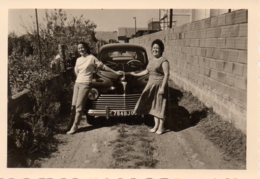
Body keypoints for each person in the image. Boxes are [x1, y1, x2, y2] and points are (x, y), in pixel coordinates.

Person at [67, 42, 123, 134]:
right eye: (79, 48)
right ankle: (69, 126)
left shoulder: (91, 58)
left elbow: (103, 67)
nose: (81, 49)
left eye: (82, 48)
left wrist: (115, 72)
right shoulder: (78, 59)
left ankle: (75, 127)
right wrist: (79, 78)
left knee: (79, 107)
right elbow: (76, 71)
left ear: (86, 48)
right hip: (77, 83)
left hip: (85, 84)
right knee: (73, 106)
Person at [130, 39, 170, 135]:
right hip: (151, 86)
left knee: (160, 107)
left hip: (160, 86)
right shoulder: (151, 61)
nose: (155, 50)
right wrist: (134, 74)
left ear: (161, 49)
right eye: (153, 48)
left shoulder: (164, 61)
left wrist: (163, 88)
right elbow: (146, 72)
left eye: (157, 48)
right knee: (154, 106)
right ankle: (156, 126)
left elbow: (167, 74)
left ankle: (161, 127)